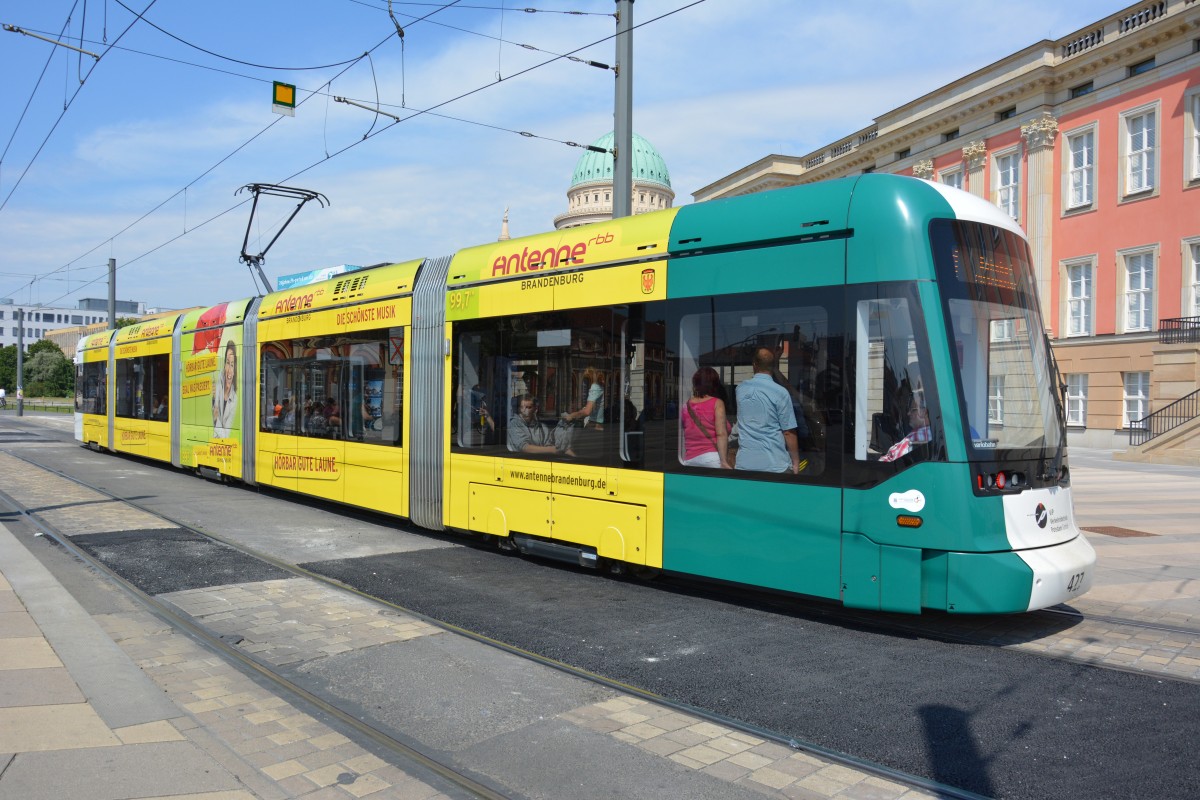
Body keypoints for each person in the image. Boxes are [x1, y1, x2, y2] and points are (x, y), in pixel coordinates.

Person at [734, 348, 801, 474]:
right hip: (774, 465)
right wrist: (796, 462)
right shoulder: (780, 392)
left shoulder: (740, 389)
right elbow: (788, 433)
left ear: (754, 364)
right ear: (773, 367)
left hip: (745, 463)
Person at [681, 367, 731, 469]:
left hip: (690, 459)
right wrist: (724, 462)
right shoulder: (717, 403)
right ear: (714, 384)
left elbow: (685, 431)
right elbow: (721, 434)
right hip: (711, 457)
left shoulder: (686, 406)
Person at [508, 394, 575, 456]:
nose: (525, 411)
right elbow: (524, 447)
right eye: (522, 407)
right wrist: (552, 450)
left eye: (528, 407)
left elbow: (548, 444)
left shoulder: (542, 427)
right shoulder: (514, 424)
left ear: (535, 409)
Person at [879, 390, 934, 463]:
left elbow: (895, 460)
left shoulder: (920, 435)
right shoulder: (922, 433)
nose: (908, 413)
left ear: (924, 412)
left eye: (913, 410)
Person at [212, 340, 237, 438]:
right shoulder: (217, 382)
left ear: (235, 370)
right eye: (227, 363)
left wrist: (215, 420)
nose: (229, 370)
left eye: (232, 364)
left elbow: (226, 436)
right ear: (224, 365)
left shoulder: (235, 399)